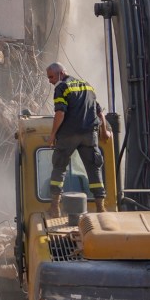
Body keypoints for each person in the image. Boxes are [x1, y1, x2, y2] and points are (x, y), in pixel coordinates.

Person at [45, 62, 107, 204]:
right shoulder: (87, 85)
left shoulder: (62, 86)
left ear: (60, 73)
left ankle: (54, 207)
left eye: (51, 77)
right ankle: (100, 207)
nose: (50, 81)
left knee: (59, 167)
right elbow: (100, 112)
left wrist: (53, 135)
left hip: (69, 134)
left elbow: (60, 113)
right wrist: (105, 131)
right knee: (94, 168)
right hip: (89, 135)